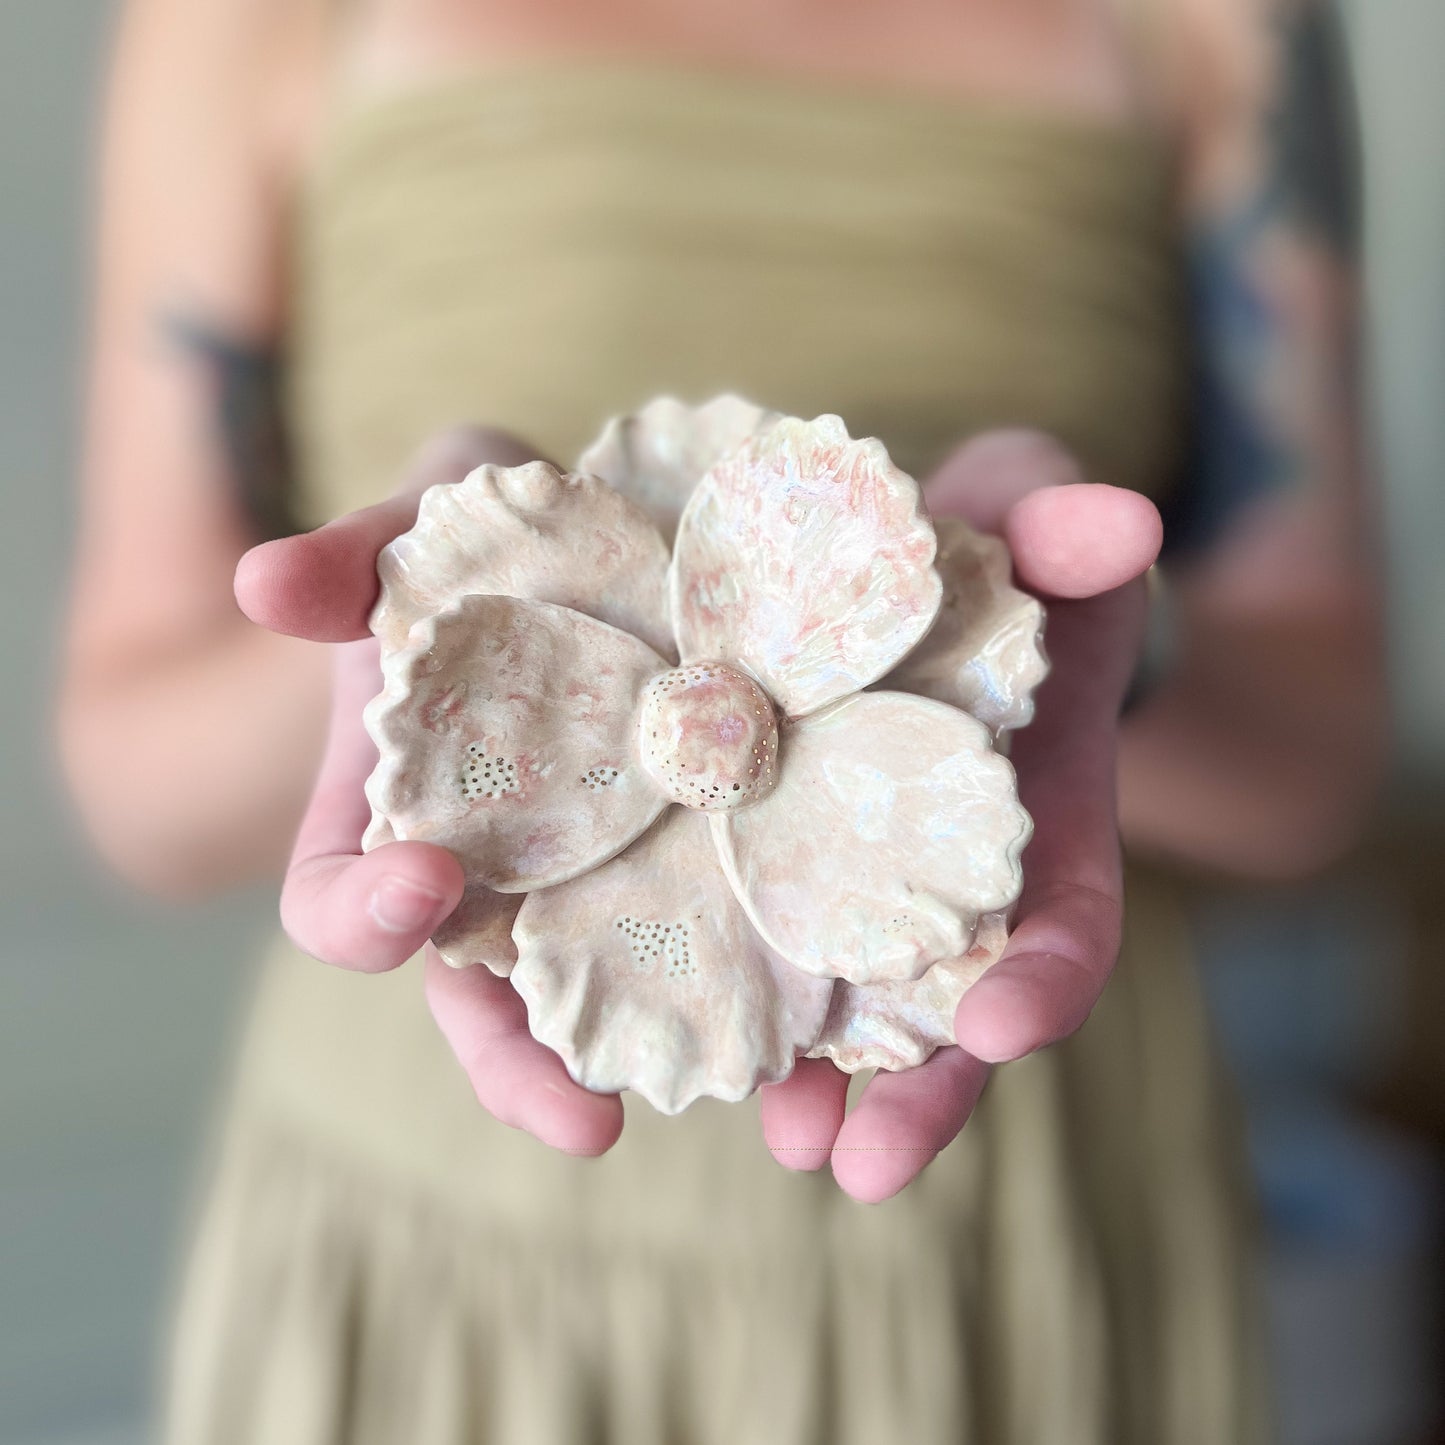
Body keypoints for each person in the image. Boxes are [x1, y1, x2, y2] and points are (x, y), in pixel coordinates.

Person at [60, 0, 1384, 1439]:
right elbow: (137, 782)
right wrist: (440, 620)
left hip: (1010, 1216)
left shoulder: (1233, 24)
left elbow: (1316, 756)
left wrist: (1041, 644)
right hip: (447, 1228)